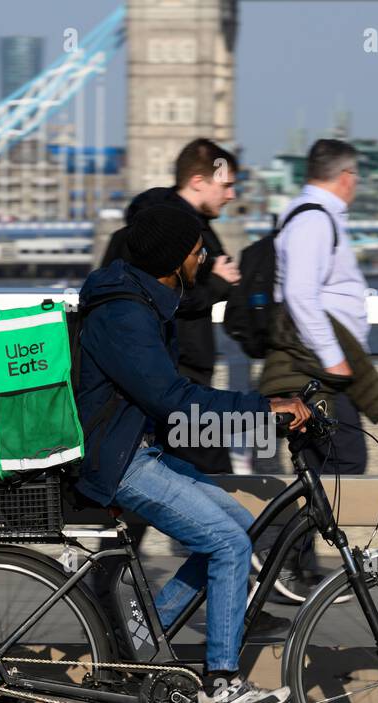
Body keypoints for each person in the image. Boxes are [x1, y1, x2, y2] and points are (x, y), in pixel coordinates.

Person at [76, 203, 312, 703]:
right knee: (227, 545)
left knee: (236, 526)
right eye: (196, 248)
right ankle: (222, 686)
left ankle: (142, 655)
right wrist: (263, 408)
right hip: (119, 461)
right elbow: (176, 401)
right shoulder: (125, 314)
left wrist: (263, 408)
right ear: (172, 256)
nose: (203, 254)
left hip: (136, 449)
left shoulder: (144, 300)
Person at [259, 139, 378, 587]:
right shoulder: (314, 220)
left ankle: (292, 561)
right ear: (346, 177)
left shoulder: (315, 217)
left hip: (312, 369)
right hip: (315, 372)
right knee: (346, 459)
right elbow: (300, 294)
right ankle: (284, 553)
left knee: (317, 463)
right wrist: (335, 359)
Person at [101, 138, 242, 475]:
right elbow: (168, 297)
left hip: (163, 376)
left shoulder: (162, 226)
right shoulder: (175, 234)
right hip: (178, 377)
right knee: (213, 480)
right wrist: (219, 283)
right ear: (198, 181)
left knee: (158, 482)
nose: (232, 194)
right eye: (226, 185)